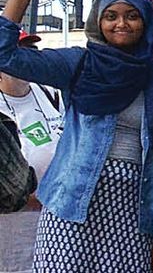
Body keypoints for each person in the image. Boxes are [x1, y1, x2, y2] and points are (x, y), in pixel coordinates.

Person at [2, 0, 153, 272]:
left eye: (132, 16)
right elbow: (5, 54)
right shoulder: (79, 64)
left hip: (132, 215)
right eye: (111, 16)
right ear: (97, 21)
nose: (121, 24)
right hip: (68, 208)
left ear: (146, 22)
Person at [0, 31, 61, 272]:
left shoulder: (52, 93)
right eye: (16, 52)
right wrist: (31, 197)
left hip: (52, 231)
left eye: (30, 51)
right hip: (10, 235)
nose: (25, 59)